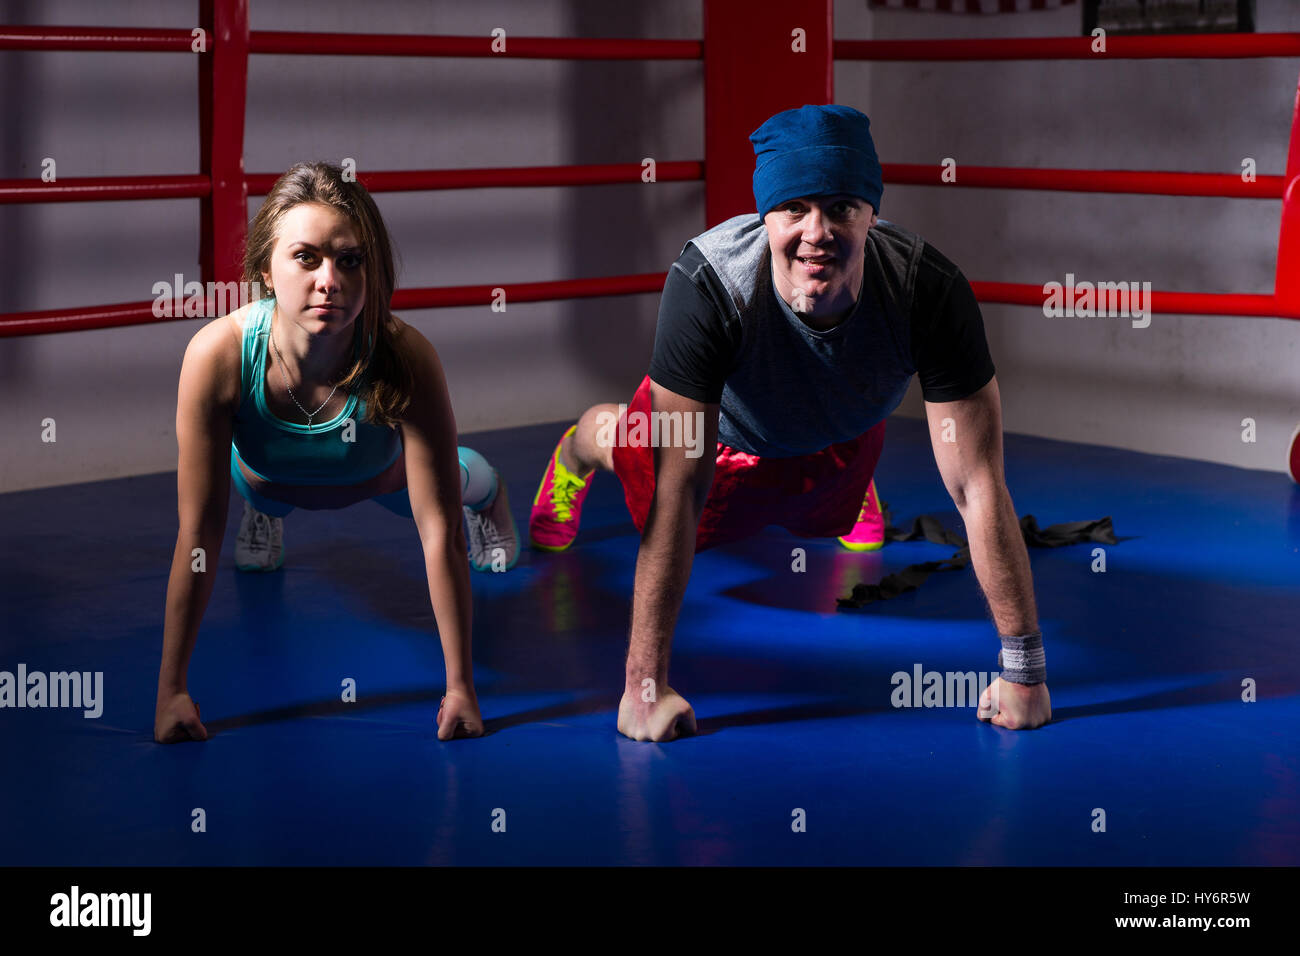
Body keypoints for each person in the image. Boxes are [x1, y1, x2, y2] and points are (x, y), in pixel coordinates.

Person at [527, 104, 1051, 741]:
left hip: (843, 436)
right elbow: (680, 489)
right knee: (632, 453)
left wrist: (1024, 675)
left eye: (841, 207)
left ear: (872, 214)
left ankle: (846, 486)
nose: (817, 232)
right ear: (764, 216)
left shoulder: (928, 291)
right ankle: (578, 451)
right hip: (723, 445)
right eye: (795, 208)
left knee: (834, 514)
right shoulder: (709, 283)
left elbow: (976, 485)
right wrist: (644, 689)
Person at [155, 162, 515, 744]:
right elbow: (196, 535)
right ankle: (264, 517)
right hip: (264, 478)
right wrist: (171, 691)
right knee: (250, 493)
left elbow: (438, 530)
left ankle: (493, 492)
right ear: (265, 271)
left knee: (458, 482)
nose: (330, 280)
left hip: (376, 476)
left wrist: (461, 689)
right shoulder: (216, 355)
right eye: (306, 257)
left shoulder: (405, 354)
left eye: (350, 260)